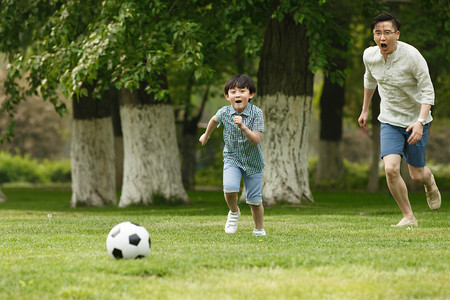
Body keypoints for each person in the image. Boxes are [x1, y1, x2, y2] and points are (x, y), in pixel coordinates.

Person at [358, 12, 441, 227]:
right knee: (391, 168)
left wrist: (420, 122)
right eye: (378, 33)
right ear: (373, 36)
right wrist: (365, 110)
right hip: (389, 119)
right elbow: (369, 81)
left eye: (387, 32)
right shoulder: (369, 55)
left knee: (416, 175)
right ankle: (408, 217)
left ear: (397, 34)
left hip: (416, 120)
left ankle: (430, 182)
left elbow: (428, 91)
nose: (382, 37)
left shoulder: (413, 56)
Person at [199, 74, 266, 236]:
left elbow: (256, 140)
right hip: (232, 158)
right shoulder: (224, 112)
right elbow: (214, 120)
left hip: (253, 162)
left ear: (251, 95)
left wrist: (243, 127)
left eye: (242, 91)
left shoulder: (256, 113)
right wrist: (206, 135)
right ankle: (234, 212)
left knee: (254, 200)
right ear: (227, 96)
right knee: (229, 189)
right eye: (233, 91)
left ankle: (258, 229)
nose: (237, 94)